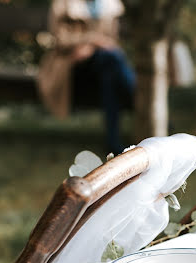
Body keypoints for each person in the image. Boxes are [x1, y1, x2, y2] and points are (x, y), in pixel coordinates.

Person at [37, 0, 135, 154]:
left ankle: (113, 141)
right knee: (113, 61)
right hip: (72, 65)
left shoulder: (109, 4)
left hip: (103, 63)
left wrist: (94, 46)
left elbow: (111, 40)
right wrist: (92, 41)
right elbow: (61, 40)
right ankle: (139, 98)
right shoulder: (63, 4)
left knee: (110, 74)